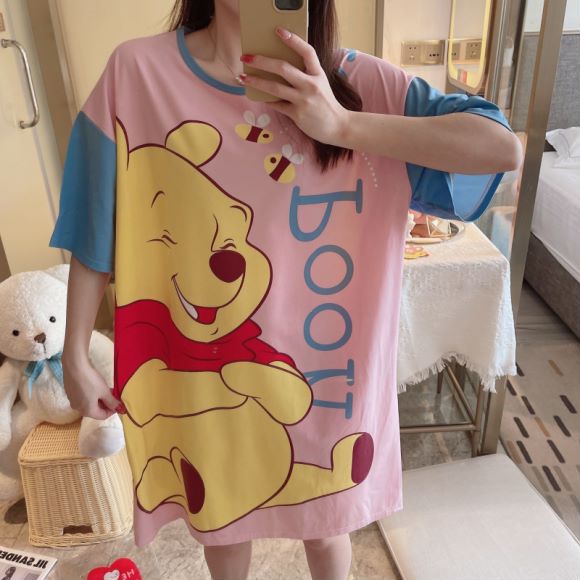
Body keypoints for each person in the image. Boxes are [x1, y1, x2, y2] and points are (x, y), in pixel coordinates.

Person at [48, 1, 522, 579]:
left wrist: (342, 124)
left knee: (327, 527)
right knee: (222, 526)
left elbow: (501, 147)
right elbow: (93, 222)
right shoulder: (138, 74)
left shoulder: (357, 82)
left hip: (330, 375)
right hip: (204, 373)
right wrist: (75, 352)